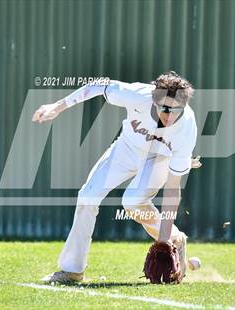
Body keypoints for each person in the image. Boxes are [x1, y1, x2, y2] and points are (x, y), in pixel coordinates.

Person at [32, 71, 201, 283]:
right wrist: (57, 107)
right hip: (127, 148)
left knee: (132, 202)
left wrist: (164, 241)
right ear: (154, 100)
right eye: (165, 108)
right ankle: (72, 270)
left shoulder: (186, 127)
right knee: (88, 196)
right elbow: (98, 85)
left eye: (178, 109)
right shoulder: (137, 94)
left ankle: (173, 240)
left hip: (159, 157)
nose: (171, 115)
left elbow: (173, 189)